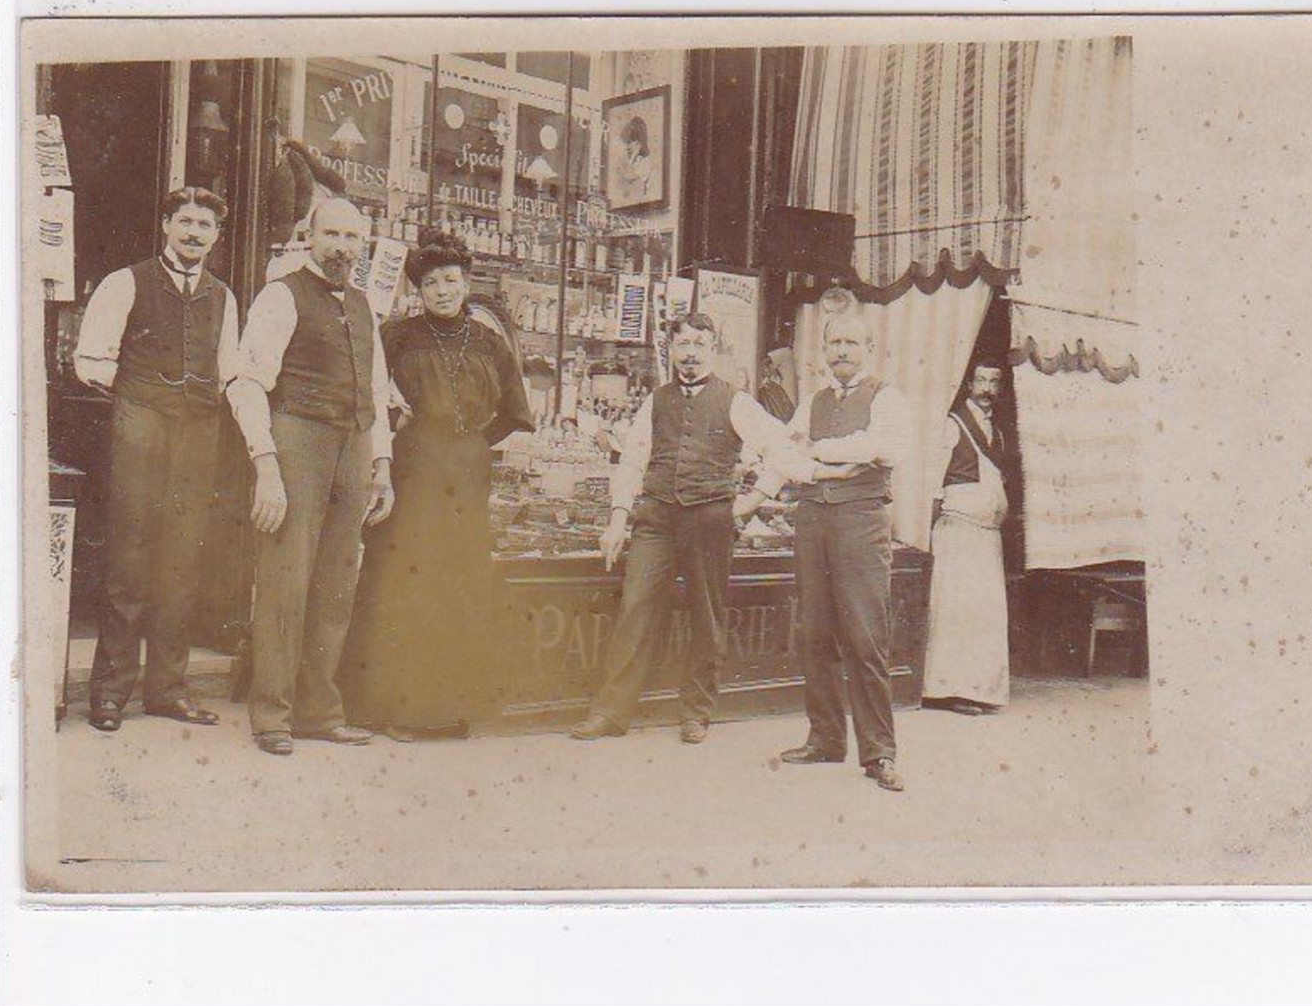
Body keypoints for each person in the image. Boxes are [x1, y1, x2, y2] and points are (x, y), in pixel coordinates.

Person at [568, 313, 835, 745]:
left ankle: (696, 712)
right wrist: (618, 518)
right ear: (670, 350)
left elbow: (784, 449)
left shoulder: (736, 402)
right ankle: (609, 712)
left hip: (710, 521)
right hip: (656, 517)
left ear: (714, 349)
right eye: (682, 345)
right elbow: (633, 460)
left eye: (699, 344)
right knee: (635, 606)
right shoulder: (656, 400)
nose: (690, 353)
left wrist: (750, 501)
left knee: (705, 616)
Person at [338, 230, 533, 740]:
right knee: (404, 581)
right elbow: (369, 398)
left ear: (466, 284)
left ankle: (451, 709)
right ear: (418, 291)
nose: (442, 290)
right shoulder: (397, 336)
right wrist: (409, 432)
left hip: (467, 475)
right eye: (431, 283)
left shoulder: (490, 342)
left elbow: (514, 412)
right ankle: (396, 710)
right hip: (413, 469)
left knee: (458, 583)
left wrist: (469, 442)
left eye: (450, 280)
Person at [227, 197, 395, 756]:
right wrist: (266, 465)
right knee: (285, 583)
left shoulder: (366, 305)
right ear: (310, 236)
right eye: (333, 235)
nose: (342, 247)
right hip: (296, 440)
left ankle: (320, 712)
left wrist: (382, 466)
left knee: (336, 586)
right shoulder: (281, 295)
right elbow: (246, 381)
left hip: (354, 447)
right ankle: (272, 716)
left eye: (352, 238)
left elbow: (375, 391)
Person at [74, 186, 239, 732]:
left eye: (205, 226)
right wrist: (143, 397)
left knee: (182, 561)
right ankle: (110, 694)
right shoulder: (128, 282)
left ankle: (168, 690)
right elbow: (92, 361)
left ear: (216, 236)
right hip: (141, 428)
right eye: (186, 222)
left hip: (198, 433)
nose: (194, 234)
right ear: (166, 224)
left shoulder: (223, 296)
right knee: (130, 559)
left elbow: (230, 371)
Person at [766, 308, 911, 792]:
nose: (843, 352)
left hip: (860, 523)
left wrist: (818, 451)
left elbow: (883, 447)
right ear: (824, 351)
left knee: (866, 638)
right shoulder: (812, 402)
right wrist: (823, 464)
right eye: (835, 344)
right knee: (815, 631)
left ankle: (879, 753)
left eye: (852, 343)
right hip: (813, 521)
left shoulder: (886, 397)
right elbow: (784, 454)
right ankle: (826, 738)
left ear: (869, 348)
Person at [924, 359, 1013, 716]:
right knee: (956, 608)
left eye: (994, 381)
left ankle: (978, 688)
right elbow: (934, 476)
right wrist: (928, 527)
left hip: (986, 536)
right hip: (958, 531)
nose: (987, 388)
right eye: (981, 380)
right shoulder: (953, 423)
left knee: (983, 611)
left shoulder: (1001, 433)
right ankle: (946, 690)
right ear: (969, 384)